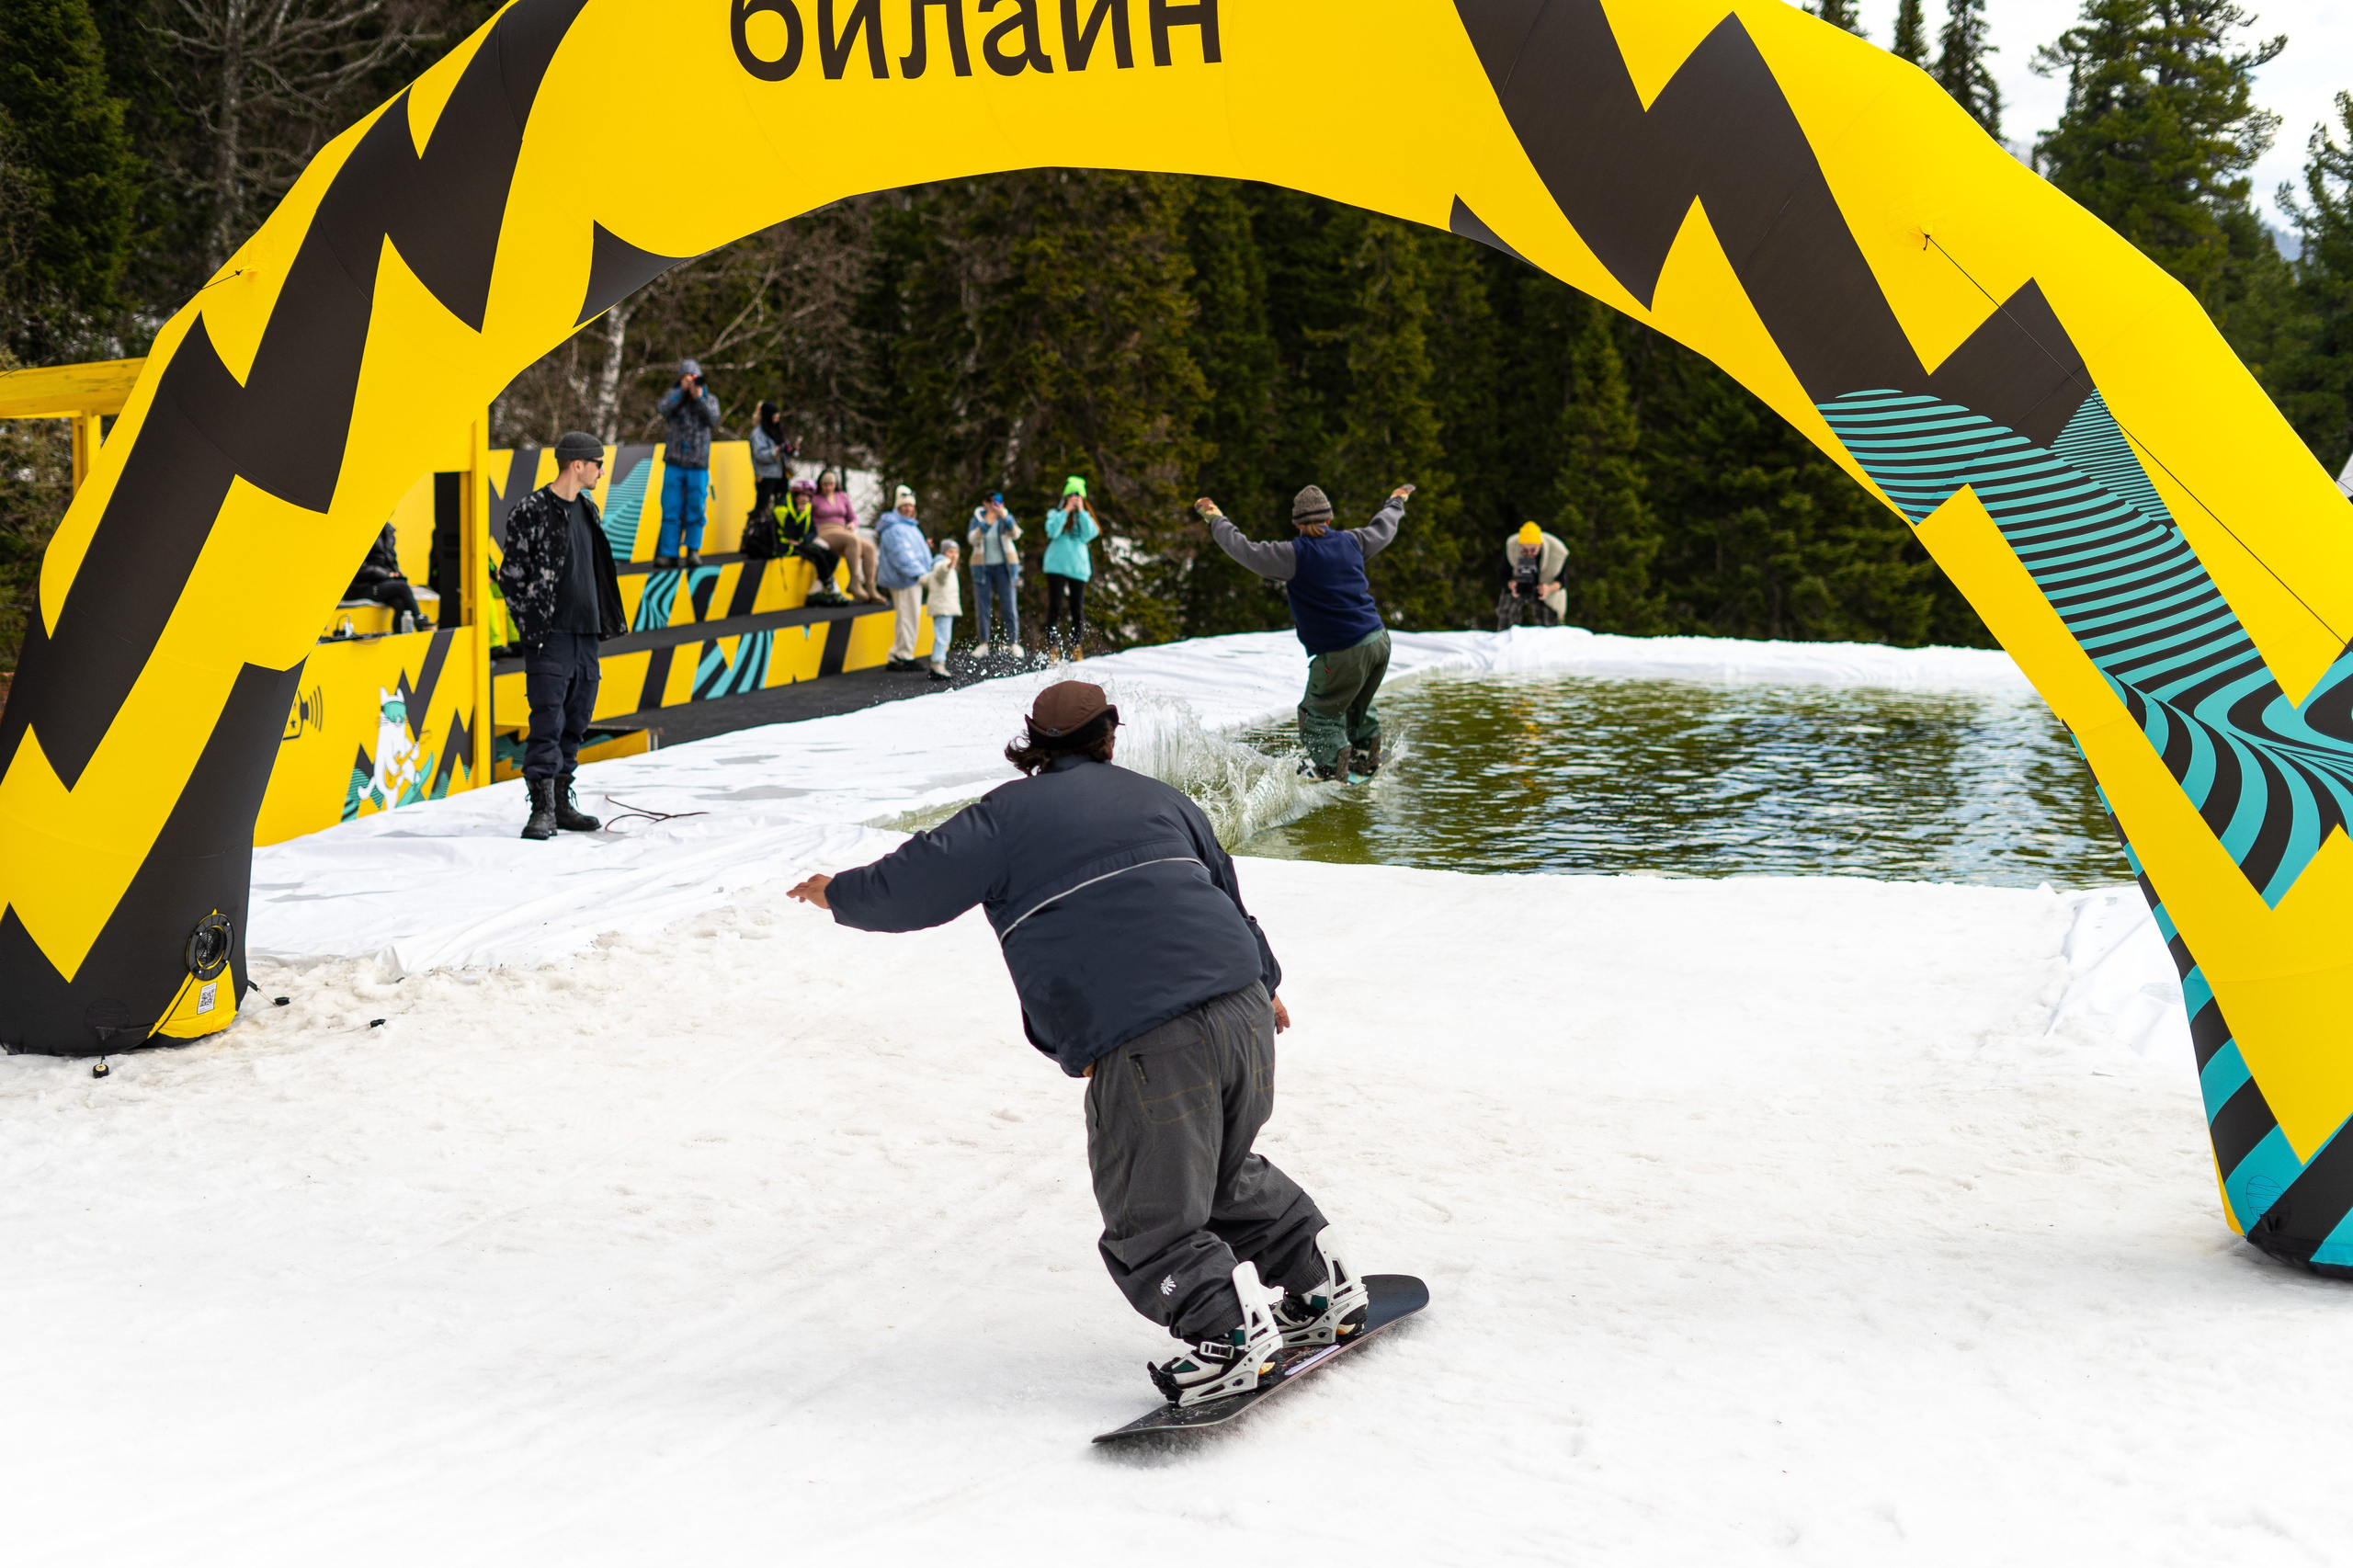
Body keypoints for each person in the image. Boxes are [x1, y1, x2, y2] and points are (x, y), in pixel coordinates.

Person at [785, 682, 1370, 1408]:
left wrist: (835, 893)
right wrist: (1267, 979)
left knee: (1149, 1211)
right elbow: (1225, 891)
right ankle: (1321, 1286)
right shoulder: (1164, 800)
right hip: (1245, 1011)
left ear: (1032, 740)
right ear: (1109, 735)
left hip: (1155, 1037)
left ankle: (1226, 1336)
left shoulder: (1004, 818)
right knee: (1218, 1172)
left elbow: (913, 886)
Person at [1199, 482, 1415, 782]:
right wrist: (1396, 501)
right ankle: (1367, 754)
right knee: (1355, 701)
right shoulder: (1354, 541)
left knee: (1317, 714)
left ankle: (1328, 769)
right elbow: (1385, 527)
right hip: (1378, 641)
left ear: (1298, 523)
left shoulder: (1293, 555)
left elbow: (1243, 549)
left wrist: (1215, 518)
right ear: (1329, 519)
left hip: (1342, 650)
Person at [498, 431, 627, 839]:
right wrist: (531, 626)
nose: (601, 471)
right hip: (550, 636)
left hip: (587, 634)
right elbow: (511, 577)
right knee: (546, 720)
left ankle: (561, 799)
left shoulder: (589, 510)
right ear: (577, 465)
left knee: (576, 720)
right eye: (597, 463)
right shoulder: (531, 510)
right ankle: (542, 809)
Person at [655, 358, 721, 567]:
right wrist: (682, 392)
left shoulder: (709, 398)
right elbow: (663, 408)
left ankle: (693, 550)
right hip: (675, 461)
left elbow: (714, 419)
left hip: (698, 464)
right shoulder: (673, 395)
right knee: (671, 507)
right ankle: (668, 552)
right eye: (687, 378)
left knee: (696, 507)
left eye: (694, 378)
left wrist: (698, 398)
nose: (691, 382)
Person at [876, 485, 934, 672]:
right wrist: (921, 574)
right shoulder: (895, 528)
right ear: (898, 506)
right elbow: (901, 556)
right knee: (908, 617)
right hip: (905, 579)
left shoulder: (909, 526)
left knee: (906, 617)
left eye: (911, 505)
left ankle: (898, 653)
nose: (908, 509)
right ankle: (904, 655)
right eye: (904, 505)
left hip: (911, 578)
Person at [1041, 475, 1098, 659]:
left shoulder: (1086, 517)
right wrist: (1066, 511)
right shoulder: (1055, 514)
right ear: (1065, 496)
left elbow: (1090, 535)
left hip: (1078, 569)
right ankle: (1053, 647)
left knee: (1077, 609)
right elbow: (1052, 531)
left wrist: (1081, 512)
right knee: (1055, 607)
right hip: (1056, 567)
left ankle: (1076, 646)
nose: (1074, 498)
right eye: (1071, 495)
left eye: (1078, 496)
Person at [777, 477, 852, 607]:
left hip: (800, 543)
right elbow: (793, 532)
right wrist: (800, 516)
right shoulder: (781, 509)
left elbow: (812, 532)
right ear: (795, 495)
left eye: (808, 496)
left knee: (833, 556)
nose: (805, 499)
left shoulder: (806, 508)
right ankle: (832, 589)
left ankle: (814, 593)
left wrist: (804, 540)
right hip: (784, 544)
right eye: (802, 495)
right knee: (818, 556)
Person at [966, 493, 1022, 658]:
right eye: (989, 501)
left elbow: (1016, 534)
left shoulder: (1006, 518)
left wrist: (1005, 517)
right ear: (984, 503)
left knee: (1009, 605)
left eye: (996, 501)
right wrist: (986, 524)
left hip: (1004, 568)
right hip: (982, 568)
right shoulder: (977, 519)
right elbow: (971, 539)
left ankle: (1013, 642)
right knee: (983, 606)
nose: (993, 505)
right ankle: (983, 643)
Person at [347, 521, 431, 631]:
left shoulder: (388, 531)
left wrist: (396, 574)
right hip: (361, 587)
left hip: (381, 583)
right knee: (402, 586)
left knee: (400, 604)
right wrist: (387, 575)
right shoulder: (361, 530)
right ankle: (420, 621)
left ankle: (400, 639)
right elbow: (358, 568)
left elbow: (392, 561)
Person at [813, 468, 881, 603]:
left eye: (831, 484)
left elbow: (854, 518)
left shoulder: (842, 496)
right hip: (823, 531)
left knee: (870, 548)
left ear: (835, 484)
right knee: (852, 540)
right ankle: (854, 581)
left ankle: (870, 587)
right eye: (825, 485)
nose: (828, 488)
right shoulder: (815, 499)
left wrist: (852, 525)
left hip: (842, 530)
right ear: (820, 484)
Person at [1500, 520, 1568, 628]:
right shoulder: (1511, 547)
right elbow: (1503, 575)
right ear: (1519, 546)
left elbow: (1562, 581)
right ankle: (1505, 638)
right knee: (1506, 611)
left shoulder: (1556, 552)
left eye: (1533, 550)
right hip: (1519, 585)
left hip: (1546, 589)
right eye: (1525, 550)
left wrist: (1548, 589)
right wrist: (1511, 585)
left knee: (1549, 624)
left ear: (1540, 545)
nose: (1529, 553)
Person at [748, 400, 797, 524]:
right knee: (762, 506)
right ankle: (753, 529)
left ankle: (780, 528)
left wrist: (792, 450)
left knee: (782, 504)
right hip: (766, 475)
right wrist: (775, 451)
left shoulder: (777, 430)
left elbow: (785, 446)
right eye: (774, 415)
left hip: (781, 473)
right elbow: (759, 455)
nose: (776, 418)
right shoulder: (758, 434)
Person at [920, 538, 961, 681]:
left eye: (956, 552)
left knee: (944, 635)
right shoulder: (941, 563)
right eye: (950, 551)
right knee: (943, 636)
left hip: (945, 606)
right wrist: (949, 565)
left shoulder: (946, 565)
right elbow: (941, 573)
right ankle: (938, 663)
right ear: (944, 552)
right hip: (942, 607)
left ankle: (938, 664)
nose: (954, 555)